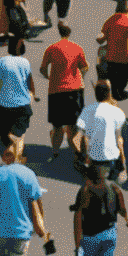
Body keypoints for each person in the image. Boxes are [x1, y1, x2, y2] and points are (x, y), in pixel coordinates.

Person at [39, 21, 89, 158]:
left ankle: (55, 151)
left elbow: (43, 69)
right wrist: (81, 78)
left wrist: (48, 77)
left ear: (59, 31)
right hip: (75, 90)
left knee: (57, 126)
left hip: (56, 90)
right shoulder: (77, 48)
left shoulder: (51, 49)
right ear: (70, 32)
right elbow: (84, 67)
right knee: (73, 126)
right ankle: (77, 152)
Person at [0, 36, 38, 155]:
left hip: (5, 106)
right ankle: (16, 155)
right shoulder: (25, 62)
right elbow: (30, 82)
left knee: (6, 135)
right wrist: (34, 95)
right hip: (22, 105)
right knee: (18, 134)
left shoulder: (1, 61)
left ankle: (14, 152)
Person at [75, 78, 128, 182]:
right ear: (109, 94)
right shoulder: (118, 112)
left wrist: (83, 157)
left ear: (95, 94)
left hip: (93, 161)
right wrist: (123, 165)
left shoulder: (86, 111)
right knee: (118, 187)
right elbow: (119, 141)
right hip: (111, 160)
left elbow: (78, 139)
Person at [97, 0, 128, 101]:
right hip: (125, 55)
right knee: (123, 76)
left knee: (112, 76)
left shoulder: (111, 19)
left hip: (111, 54)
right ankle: (120, 93)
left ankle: (113, 94)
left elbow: (103, 35)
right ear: (127, 8)